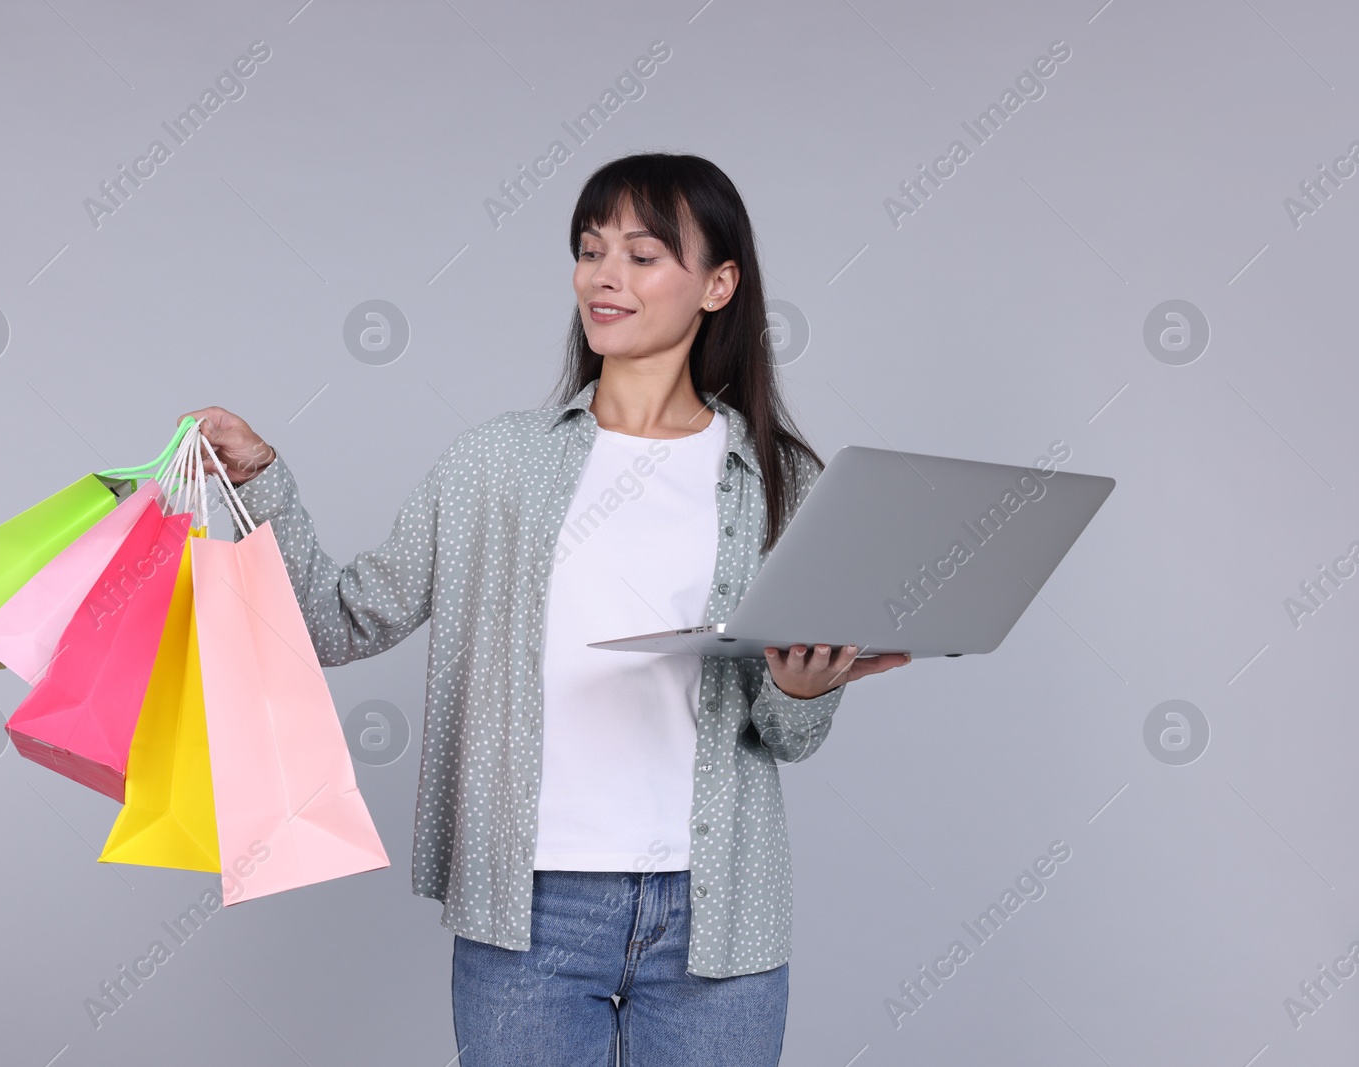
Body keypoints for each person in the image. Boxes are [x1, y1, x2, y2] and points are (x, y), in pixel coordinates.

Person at [183, 152, 910, 1066]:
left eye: (643, 255)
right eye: (589, 248)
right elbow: (339, 622)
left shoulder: (780, 481)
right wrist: (262, 485)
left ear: (719, 284)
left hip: (719, 907)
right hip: (530, 905)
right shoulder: (497, 463)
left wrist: (806, 690)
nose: (604, 276)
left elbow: (788, 737)